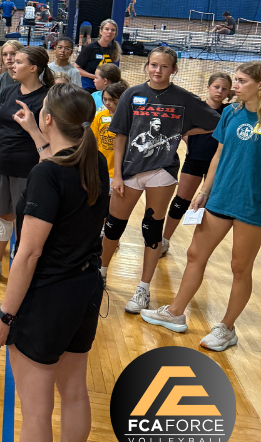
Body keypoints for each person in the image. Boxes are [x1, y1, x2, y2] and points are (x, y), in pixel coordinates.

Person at [0, 83, 108, 442]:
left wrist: (4, 317)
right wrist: (37, 132)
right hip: (85, 292)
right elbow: (56, 164)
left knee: (35, 412)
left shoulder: (46, 174)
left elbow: (28, 255)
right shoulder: (95, 161)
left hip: (48, 299)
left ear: (50, 117)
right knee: (73, 393)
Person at [140, 62, 261, 351]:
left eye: (242, 81)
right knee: (195, 254)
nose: (235, 87)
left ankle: (227, 328)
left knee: (240, 268)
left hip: (252, 204)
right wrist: (205, 190)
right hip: (221, 195)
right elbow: (219, 153)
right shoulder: (231, 113)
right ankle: (175, 312)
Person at [100, 47, 221, 313]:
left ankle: (143, 289)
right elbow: (119, 136)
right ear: (147, 66)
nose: (158, 70)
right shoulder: (132, 95)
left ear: (174, 69)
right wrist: (118, 174)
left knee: (151, 230)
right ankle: (101, 273)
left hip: (162, 172)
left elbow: (216, 122)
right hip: (130, 170)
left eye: (164, 66)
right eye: (153, 65)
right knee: (113, 227)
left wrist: (183, 130)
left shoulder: (184, 98)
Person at [0, 46, 53, 283]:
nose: (12, 64)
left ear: (33, 68)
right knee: (1, 217)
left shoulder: (47, 99)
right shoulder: (7, 91)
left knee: (25, 223)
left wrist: (32, 126)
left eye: (18, 61)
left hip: (29, 171)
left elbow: (50, 142)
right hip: (1, 166)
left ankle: (22, 272)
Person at [158, 72, 232, 255]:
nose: (219, 91)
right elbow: (180, 126)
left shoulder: (230, 111)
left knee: (208, 207)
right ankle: (164, 240)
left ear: (229, 92)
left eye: (224, 89)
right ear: (208, 87)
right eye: (216, 87)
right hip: (195, 160)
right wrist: (185, 139)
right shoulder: (197, 107)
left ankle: (198, 247)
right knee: (181, 201)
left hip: (217, 165)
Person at [90, 80, 128, 185]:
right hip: (102, 168)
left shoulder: (128, 118)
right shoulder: (100, 116)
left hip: (121, 172)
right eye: (105, 99)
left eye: (111, 100)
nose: (107, 103)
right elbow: (94, 141)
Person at [74, 19, 120, 92]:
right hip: (88, 87)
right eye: (107, 29)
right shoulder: (90, 48)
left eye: (113, 30)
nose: (110, 32)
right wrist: (95, 77)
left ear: (115, 34)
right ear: (101, 31)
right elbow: (76, 68)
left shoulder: (114, 50)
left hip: (105, 88)